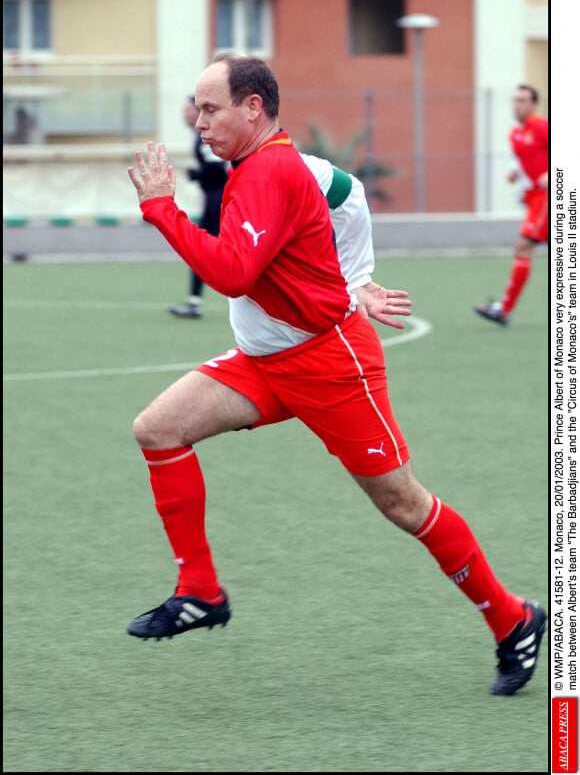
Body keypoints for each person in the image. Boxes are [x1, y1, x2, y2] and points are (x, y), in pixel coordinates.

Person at [127, 53, 545, 696]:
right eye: (198, 108)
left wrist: (163, 209)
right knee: (157, 429)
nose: (198, 121)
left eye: (210, 109)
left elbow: (236, 271)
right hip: (265, 362)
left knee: (403, 503)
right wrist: (354, 283)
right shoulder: (257, 164)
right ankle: (200, 591)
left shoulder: (274, 168)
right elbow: (341, 203)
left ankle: (512, 619)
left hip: (330, 364)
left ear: (253, 108)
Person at [474, 84, 548, 326]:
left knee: (523, 245)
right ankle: (503, 309)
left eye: (523, 100)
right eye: (515, 100)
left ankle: (504, 309)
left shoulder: (542, 126)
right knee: (524, 247)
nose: (517, 105)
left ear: (534, 104)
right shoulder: (516, 133)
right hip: (534, 198)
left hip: (547, 197)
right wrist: (514, 172)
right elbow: (519, 160)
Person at [168, 96, 229, 318]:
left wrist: (194, 174)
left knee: (203, 250)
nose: (185, 114)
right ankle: (194, 301)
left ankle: (194, 303)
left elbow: (217, 169)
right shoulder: (202, 134)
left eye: (188, 110)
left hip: (218, 201)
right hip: (217, 199)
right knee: (207, 251)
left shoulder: (204, 135)